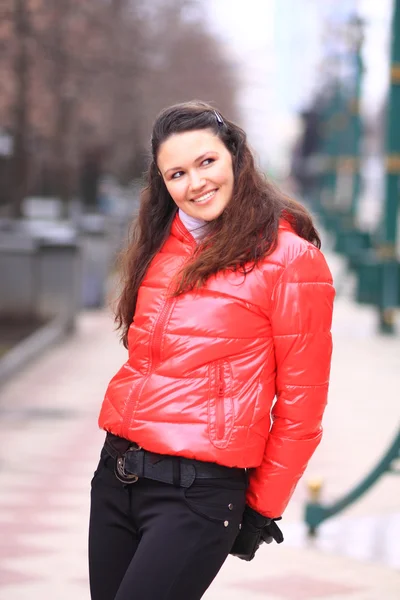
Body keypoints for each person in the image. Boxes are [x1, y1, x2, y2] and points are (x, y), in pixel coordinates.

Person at [88, 101, 335, 600]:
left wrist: (262, 508)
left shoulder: (290, 260)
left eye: (206, 162)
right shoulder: (162, 246)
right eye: (176, 173)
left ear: (235, 156)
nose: (195, 183)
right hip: (116, 477)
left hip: (196, 494)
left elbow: (301, 405)